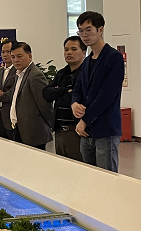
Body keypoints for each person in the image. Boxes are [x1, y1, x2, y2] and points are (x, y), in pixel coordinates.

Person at [71, 11, 124, 172]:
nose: (84, 35)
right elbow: (78, 88)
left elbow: (107, 95)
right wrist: (74, 103)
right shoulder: (87, 60)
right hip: (86, 130)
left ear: (100, 30)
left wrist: (85, 120)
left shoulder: (114, 57)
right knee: (90, 176)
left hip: (105, 128)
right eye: (81, 31)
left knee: (106, 177)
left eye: (88, 30)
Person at [42, 36, 86, 161]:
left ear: (84, 52)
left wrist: (59, 92)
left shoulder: (86, 73)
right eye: (66, 49)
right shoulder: (62, 73)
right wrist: (66, 90)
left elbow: (77, 98)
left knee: (78, 167)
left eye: (73, 49)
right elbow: (46, 94)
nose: (69, 52)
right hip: (60, 130)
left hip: (77, 130)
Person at [9, 42, 53, 150]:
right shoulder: (18, 74)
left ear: (29, 56)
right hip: (19, 129)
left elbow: (44, 105)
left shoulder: (35, 75)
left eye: (19, 56)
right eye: (13, 57)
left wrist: (50, 125)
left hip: (33, 133)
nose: (15, 60)